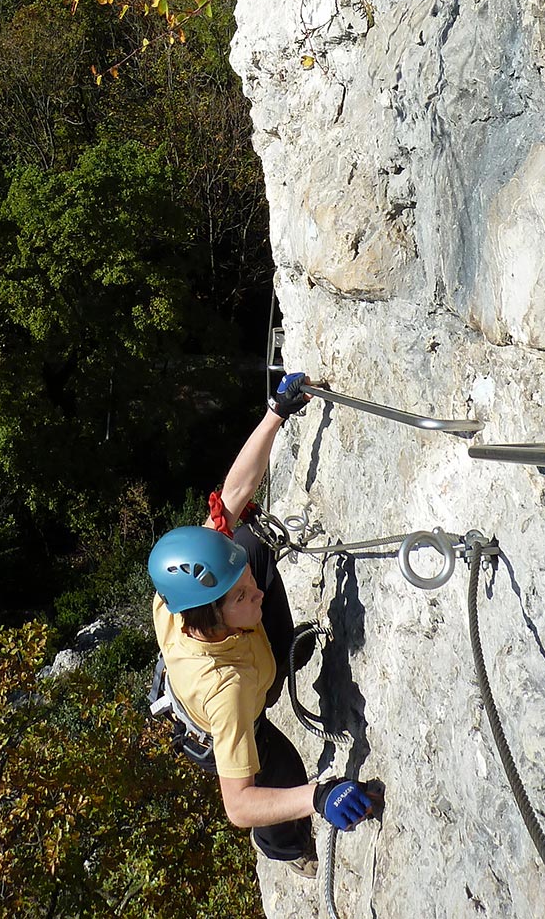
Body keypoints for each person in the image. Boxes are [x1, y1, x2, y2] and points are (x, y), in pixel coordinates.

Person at [148, 371, 382, 876]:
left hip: (252, 659)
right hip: (235, 709)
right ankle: (287, 850)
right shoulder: (226, 695)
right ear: (211, 614)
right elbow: (238, 804)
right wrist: (319, 798)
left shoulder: (181, 595)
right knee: (285, 777)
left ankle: (282, 659)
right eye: (241, 596)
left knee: (250, 545)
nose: (255, 589)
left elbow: (235, 490)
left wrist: (276, 411)